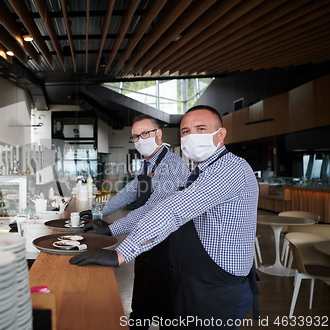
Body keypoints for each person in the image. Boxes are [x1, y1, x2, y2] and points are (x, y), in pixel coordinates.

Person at [71, 106, 259, 329]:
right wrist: (100, 214)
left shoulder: (228, 169)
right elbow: (130, 192)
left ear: (220, 134)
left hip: (216, 281)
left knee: (161, 311)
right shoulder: (198, 170)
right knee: (148, 308)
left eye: (201, 128)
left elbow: (170, 209)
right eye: (186, 131)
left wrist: (119, 249)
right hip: (194, 272)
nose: (192, 136)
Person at [90, 114, 189, 329]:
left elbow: (154, 208)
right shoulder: (147, 164)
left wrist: (111, 229)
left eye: (145, 133)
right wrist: (99, 213)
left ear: (158, 134)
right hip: (145, 243)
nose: (140, 139)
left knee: (165, 308)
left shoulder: (172, 165)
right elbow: (130, 192)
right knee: (142, 300)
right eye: (135, 136)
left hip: (167, 245)